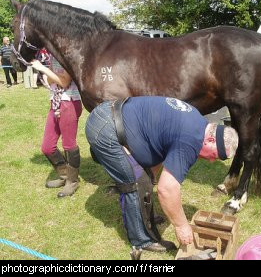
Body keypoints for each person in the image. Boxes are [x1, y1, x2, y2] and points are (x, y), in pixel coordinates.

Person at [85, 96, 239, 253]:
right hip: (105, 129)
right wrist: (181, 226)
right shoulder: (192, 140)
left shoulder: (198, 123)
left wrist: (150, 178)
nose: (212, 161)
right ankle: (141, 241)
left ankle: (144, 216)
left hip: (111, 114)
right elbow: (167, 189)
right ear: (211, 139)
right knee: (134, 183)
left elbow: (161, 147)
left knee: (145, 180)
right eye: (216, 155)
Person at [31, 57, 82, 198]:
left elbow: (65, 82)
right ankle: (64, 175)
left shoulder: (67, 55)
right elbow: (50, 80)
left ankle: (72, 181)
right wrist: (53, 75)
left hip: (70, 102)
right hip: (55, 102)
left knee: (68, 144)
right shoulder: (52, 57)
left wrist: (44, 69)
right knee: (47, 147)